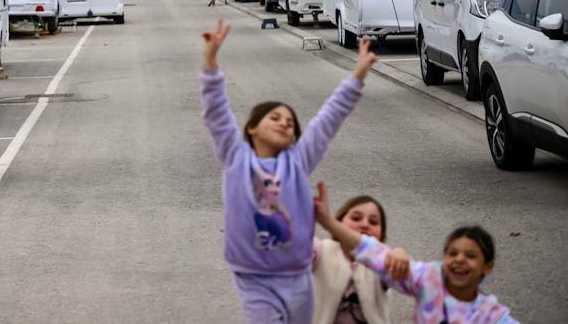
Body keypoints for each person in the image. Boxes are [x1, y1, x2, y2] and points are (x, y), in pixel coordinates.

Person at [200, 19, 378, 324]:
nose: (284, 123)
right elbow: (217, 115)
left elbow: (328, 120)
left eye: (291, 123)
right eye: (275, 118)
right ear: (252, 128)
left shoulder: (297, 162)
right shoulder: (236, 158)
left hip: (298, 276)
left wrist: (357, 76)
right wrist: (211, 64)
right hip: (254, 279)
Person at [314, 183, 518, 324]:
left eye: (471, 256)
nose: (459, 260)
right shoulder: (429, 280)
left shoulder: (490, 315)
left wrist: (398, 252)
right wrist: (327, 221)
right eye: (452, 253)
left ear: (487, 266)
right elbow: (372, 252)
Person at [312, 194, 406, 324]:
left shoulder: (379, 264)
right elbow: (297, 249)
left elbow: (399, 273)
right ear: (338, 223)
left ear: (382, 235)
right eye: (356, 218)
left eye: (373, 222)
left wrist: (399, 253)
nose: (365, 224)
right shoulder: (321, 250)